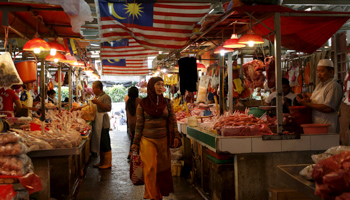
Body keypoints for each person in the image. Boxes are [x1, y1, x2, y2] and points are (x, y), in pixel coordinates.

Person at [131, 77, 181, 200]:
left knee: (162, 168)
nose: (160, 87)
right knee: (150, 168)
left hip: (163, 139)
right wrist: (135, 143)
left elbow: (173, 121)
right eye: (158, 84)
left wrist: (175, 135)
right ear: (151, 86)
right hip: (147, 140)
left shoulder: (168, 103)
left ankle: (158, 193)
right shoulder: (142, 104)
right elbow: (139, 125)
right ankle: (152, 195)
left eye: (162, 84)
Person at [72, 81, 112, 169]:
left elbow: (108, 108)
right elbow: (89, 105)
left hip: (103, 123)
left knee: (105, 142)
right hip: (97, 121)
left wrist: (97, 102)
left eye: (94, 88)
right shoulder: (96, 97)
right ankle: (102, 161)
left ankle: (108, 163)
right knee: (100, 142)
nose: (92, 89)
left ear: (98, 88)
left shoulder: (106, 97)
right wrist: (79, 108)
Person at [297, 59, 343, 133]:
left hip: (328, 126)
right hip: (316, 125)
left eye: (322, 71)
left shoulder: (334, 86)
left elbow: (329, 108)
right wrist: (308, 100)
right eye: (317, 71)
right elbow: (316, 103)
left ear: (331, 72)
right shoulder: (319, 86)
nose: (318, 74)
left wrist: (307, 104)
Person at [125, 86, 141, 160]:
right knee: (137, 139)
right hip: (138, 123)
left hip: (131, 123)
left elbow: (126, 112)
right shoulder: (139, 101)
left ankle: (131, 153)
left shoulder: (128, 101)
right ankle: (135, 154)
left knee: (133, 138)